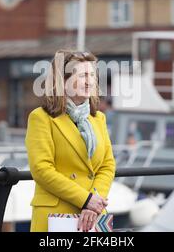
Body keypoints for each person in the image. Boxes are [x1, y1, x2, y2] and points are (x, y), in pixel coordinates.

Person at [25, 49, 116, 232]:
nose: (90, 81)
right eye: (83, 75)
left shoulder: (98, 118)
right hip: (55, 217)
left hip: (94, 216)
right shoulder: (41, 118)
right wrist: (85, 200)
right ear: (63, 80)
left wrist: (93, 201)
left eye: (92, 75)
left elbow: (107, 165)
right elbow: (41, 170)